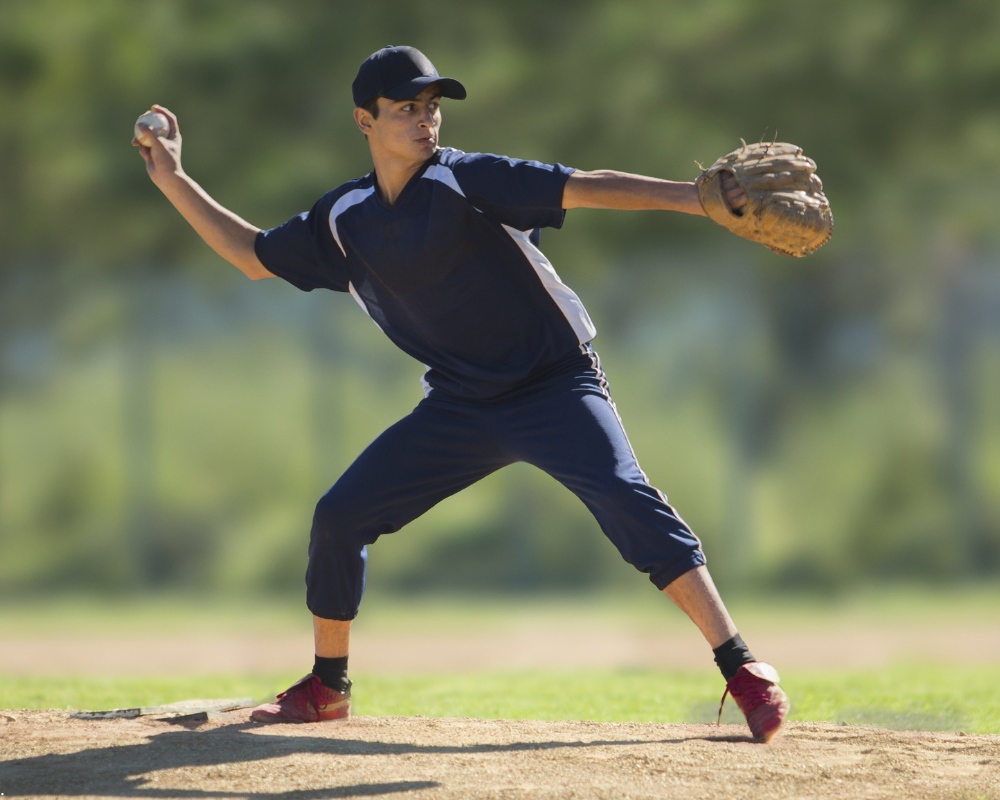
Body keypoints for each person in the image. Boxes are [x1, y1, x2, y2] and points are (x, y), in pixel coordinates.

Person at [134, 45, 789, 742]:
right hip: (460, 405)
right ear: (365, 120)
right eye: (407, 108)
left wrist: (696, 199)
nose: (426, 121)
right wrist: (173, 177)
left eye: (433, 107)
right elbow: (251, 255)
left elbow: (585, 184)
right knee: (339, 516)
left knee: (627, 498)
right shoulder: (344, 218)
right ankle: (328, 686)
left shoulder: (467, 178)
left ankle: (743, 668)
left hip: (554, 383)